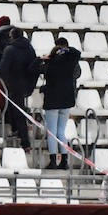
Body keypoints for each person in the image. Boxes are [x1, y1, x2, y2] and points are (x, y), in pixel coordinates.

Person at [0, 26, 38, 150]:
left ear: (12, 36)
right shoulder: (30, 48)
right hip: (27, 84)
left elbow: (2, 68)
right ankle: (17, 131)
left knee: (19, 113)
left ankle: (25, 143)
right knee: (15, 108)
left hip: (15, 85)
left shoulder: (10, 49)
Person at [41, 37, 82, 169]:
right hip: (66, 100)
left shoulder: (51, 63)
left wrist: (44, 58)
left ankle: (53, 160)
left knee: (52, 132)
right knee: (61, 132)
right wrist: (66, 50)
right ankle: (64, 160)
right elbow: (77, 53)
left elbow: (33, 68)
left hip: (53, 101)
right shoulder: (70, 61)